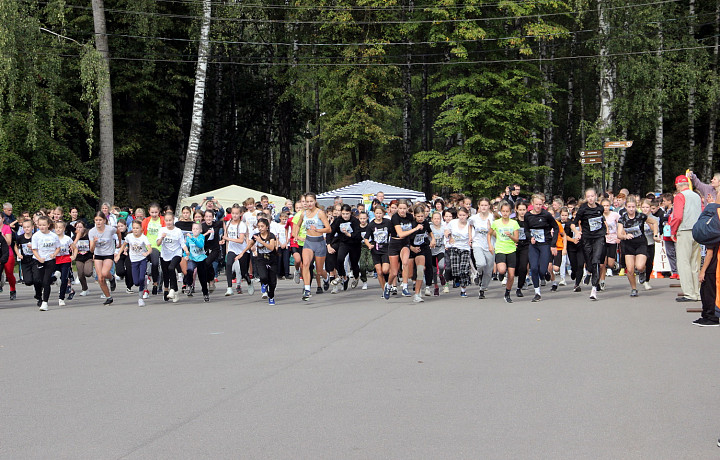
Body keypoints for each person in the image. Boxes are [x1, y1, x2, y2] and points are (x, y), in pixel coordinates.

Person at [293, 193, 332, 301]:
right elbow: (297, 224)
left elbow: (329, 229)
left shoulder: (320, 213)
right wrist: (295, 235)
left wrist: (318, 230)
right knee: (305, 264)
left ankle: (326, 277)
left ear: (315, 201)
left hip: (319, 243)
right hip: (308, 242)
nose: (309, 204)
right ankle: (307, 290)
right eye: (307, 201)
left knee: (318, 271)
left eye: (311, 201)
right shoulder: (303, 214)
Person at [670, 175, 702, 302]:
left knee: (684, 263)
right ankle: (697, 292)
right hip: (697, 231)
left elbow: (677, 216)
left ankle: (689, 293)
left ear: (678, 185)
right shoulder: (697, 196)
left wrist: (673, 231)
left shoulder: (680, 196)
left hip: (684, 230)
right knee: (695, 263)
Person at [571, 189, 605, 301]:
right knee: (589, 263)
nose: (590, 198)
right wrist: (576, 232)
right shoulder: (583, 209)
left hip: (599, 237)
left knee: (596, 261)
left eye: (592, 196)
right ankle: (589, 272)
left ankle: (594, 289)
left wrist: (605, 231)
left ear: (596, 196)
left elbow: (602, 222)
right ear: (586, 198)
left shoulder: (600, 208)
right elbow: (573, 223)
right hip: (587, 238)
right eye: (588, 196)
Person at [524, 194, 560, 302]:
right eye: (536, 204)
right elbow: (526, 230)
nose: (538, 207)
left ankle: (545, 274)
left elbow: (556, 227)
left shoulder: (546, 215)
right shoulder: (527, 216)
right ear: (532, 204)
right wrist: (530, 237)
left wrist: (553, 244)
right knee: (533, 268)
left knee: (542, 270)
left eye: (540, 204)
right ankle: (537, 292)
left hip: (545, 244)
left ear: (543, 204)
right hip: (534, 245)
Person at [488, 201, 520, 303]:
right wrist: (490, 245)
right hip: (500, 249)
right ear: (501, 212)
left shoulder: (514, 223)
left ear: (510, 212)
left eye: (507, 211)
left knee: (511, 275)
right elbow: (489, 234)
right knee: (502, 270)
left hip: (511, 250)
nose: (505, 213)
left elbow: (517, 239)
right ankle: (500, 274)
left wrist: (510, 236)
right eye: (503, 211)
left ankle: (507, 293)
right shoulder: (496, 223)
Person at [617, 197, 649, 297]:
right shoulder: (622, 218)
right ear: (626, 207)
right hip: (628, 244)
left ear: (636, 207)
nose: (631, 209)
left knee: (639, 266)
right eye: (629, 207)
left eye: (633, 207)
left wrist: (656, 233)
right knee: (630, 270)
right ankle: (634, 288)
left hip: (640, 243)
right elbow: (619, 234)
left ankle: (642, 271)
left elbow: (654, 222)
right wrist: (625, 236)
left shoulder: (641, 216)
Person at [329, 204, 362, 292]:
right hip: (344, 243)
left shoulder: (355, 221)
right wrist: (328, 244)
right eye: (343, 214)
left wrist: (349, 235)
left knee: (354, 263)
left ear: (350, 213)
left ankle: (356, 277)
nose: (345, 216)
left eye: (347, 214)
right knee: (340, 259)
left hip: (355, 244)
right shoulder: (338, 220)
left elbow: (358, 235)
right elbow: (331, 232)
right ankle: (341, 275)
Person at [119, 220, 152, 306]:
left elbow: (149, 248)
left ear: (141, 229)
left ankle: (140, 299)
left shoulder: (144, 237)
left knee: (140, 279)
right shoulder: (129, 236)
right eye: (134, 228)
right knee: (136, 282)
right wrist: (118, 254)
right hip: (133, 261)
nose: (135, 230)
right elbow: (124, 245)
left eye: (137, 228)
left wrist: (147, 253)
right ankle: (145, 279)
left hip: (142, 260)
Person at [32, 216, 60, 311]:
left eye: (44, 225)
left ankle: (45, 302)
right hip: (39, 260)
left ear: (48, 225)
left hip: (50, 261)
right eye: (40, 225)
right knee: (38, 280)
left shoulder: (53, 236)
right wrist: (39, 258)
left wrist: (54, 254)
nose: (42, 227)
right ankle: (55, 278)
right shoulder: (36, 236)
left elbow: (58, 247)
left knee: (46, 282)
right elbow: (34, 250)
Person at [89, 212, 118, 305]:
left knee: (105, 273)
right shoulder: (92, 232)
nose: (98, 222)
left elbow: (118, 232)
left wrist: (119, 243)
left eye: (100, 220)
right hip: (98, 255)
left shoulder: (110, 229)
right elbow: (91, 249)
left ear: (104, 221)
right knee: (100, 278)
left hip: (108, 254)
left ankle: (112, 278)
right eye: (96, 220)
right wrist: (94, 242)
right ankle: (108, 297)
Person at [223, 204, 252, 296]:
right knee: (228, 264)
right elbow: (226, 235)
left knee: (243, 272)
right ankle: (229, 288)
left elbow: (240, 240)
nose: (234, 215)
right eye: (233, 213)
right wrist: (225, 243)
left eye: (236, 213)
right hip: (232, 249)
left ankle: (249, 283)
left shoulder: (242, 225)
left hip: (242, 250)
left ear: (240, 214)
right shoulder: (228, 223)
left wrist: (228, 239)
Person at [248, 218, 278, 305]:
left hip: (272, 258)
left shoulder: (271, 236)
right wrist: (242, 253)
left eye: (262, 226)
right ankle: (264, 284)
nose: (260, 228)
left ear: (267, 227)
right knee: (263, 276)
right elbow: (249, 245)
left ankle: (271, 296)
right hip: (261, 259)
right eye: (259, 226)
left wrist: (261, 241)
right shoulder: (255, 236)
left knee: (272, 282)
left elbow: (271, 248)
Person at [157, 211, 184, 303]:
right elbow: (158, 243)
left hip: (176, 253)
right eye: (166, 220)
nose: (168, 222)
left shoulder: (178, 231)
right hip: (165, 254)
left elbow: (182, 243)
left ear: (173, 220)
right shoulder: (162, 230)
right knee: (166, 273)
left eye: (170, 220)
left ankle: (172, 289)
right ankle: (175, 291)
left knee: (171, 268)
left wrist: (187, 251)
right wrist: (162, 238)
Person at [408, 203, 434, 303]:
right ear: (414, 216)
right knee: (410, 274)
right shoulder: (411, 224)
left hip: (422, 248)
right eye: (418, 216)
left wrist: (433, 239)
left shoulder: (426, 222)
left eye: (422, 216)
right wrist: (412, 248)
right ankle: (414, 283)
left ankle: (417, 293)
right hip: (411, 249)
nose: (420, 218)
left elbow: (430, 231)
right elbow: (405, 238)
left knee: (420, 269)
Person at [445, 207, 473, 297]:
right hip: (455, 247)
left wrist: (470, 241)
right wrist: (448, 235)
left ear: (467, 215)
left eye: (464, 215)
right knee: (455, 269)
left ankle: (463, 290)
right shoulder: (453, 223)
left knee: (463, 269)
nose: (462, 217)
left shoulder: (469, 224)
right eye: (460, 215)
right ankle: (457, 278)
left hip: (465, 248)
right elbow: (447, 231)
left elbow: (472, 236)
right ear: (457, 215)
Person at [469, 198, 494, 299]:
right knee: (480, 263)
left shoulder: (492, 218)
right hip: (477, 243)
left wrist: (490, 229)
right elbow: (469, 225)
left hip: (490, 245)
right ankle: (477, 274)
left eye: (486, 205)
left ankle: (482, 289)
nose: (484, 207)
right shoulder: (474, 218)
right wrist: (470, 237)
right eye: (482, 205)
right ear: (479, 206)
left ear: (489, 206)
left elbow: (497, 232)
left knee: (488, 271)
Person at [365, 206, 391, 297]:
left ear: (383, 214)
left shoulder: (387, 222)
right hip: (375, 250)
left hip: (386, 249)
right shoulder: (371, 225)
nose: (378, 215)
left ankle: (388, 283)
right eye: (377, 213)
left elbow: (393, 233)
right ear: (374, 213)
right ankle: (384, 291)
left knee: (385, 270)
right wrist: (369, 245)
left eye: (380, 213)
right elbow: (366, 239)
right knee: (379, 272)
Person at [142, 204, 165, 295]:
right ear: (149, 212)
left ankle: (155, 283)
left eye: (156, 212)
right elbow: (142, 232)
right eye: (152, 212)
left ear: (159, 211)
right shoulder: (146, 221)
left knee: (155, 264)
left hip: (158, 246)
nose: (154, 214)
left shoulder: (162, 220)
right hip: (147, 245)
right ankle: (144, 285)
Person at [184, 222, 210, 302]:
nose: (195, 231)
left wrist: (192, 238)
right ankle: (189, 285)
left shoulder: (201, 237)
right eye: (193, 229)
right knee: (189, 270)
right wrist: (185, 254)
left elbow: (200, 245)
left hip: (201, 259)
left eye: (197, 229)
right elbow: (186, 247)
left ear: (200, 230)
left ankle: (205, 293)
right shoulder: (188, 238)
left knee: (202, 277)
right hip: (192, 258)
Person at [53, 221, 75, 306]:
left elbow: (75, 248)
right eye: (56, 227)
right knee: (54, 276)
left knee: (64, 279)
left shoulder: (67, 238)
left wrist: (73, 256)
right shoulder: (52, 238)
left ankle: (61, 298)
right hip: (55, 260)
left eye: (60, 227)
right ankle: (56, 279)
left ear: (64, 229)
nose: (58, 229)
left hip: (65, 260)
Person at [72, 220, 94, 297]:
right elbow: (72, 248)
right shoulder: (74, 237)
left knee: (88, 273)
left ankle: (92, 270)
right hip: (79, 257)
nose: (79, 229)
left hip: (88, 256)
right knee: (80, 274)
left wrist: (93, 255)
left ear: (84, 228)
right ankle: (85, 289)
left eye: (80, 227)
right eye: (77, 227)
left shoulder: (88, 235)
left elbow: (92, 246)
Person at [1, 217, 17, 300]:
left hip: (7, 253)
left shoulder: (6, 228)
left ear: (2, 219)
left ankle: (12, 290)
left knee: (9, 273)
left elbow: (9, 242)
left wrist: (2, 236)